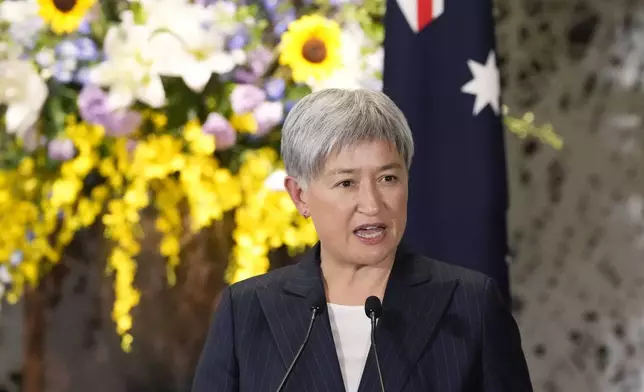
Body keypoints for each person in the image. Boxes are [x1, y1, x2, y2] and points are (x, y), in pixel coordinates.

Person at [192, 88, 533, 392]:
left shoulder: (471, 304)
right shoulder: (247, 310)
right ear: (300, 196)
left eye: (388, 178)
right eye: (347, 183)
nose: (372, 204)